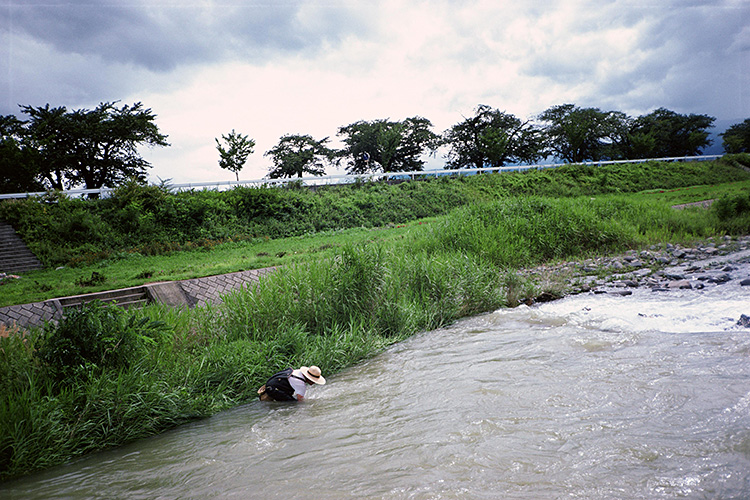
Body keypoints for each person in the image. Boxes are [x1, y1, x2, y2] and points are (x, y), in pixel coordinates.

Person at [257, 365, 326, 402]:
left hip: (271, 384)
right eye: (314, 380)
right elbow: (300, 401)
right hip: (273, 390)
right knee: (293, 404)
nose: (314, 382)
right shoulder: (300, 384)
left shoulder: (297, 372)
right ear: (309, 378)